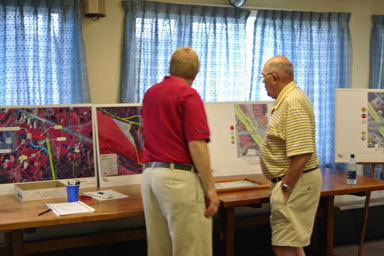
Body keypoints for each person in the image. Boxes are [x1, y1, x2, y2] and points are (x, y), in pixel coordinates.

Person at [140, 47, 219, 256]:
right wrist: (210, 187)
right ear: (196, 72)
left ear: (171, 67)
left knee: (159, 249)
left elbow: (143, 131)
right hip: (178, 178)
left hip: (150, 177)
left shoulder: (150, 93)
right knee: (192, 249)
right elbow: (196, 144)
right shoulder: (188, 95)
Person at [260, 56, 322, 256]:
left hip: (295, 184)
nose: (263, 84)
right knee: (292, 243)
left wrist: (285, 188)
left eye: (264, 78)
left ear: (275, 77)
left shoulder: (292, 102)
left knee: (283, 245)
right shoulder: (288, 98)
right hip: (296, 183)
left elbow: (302, 153)